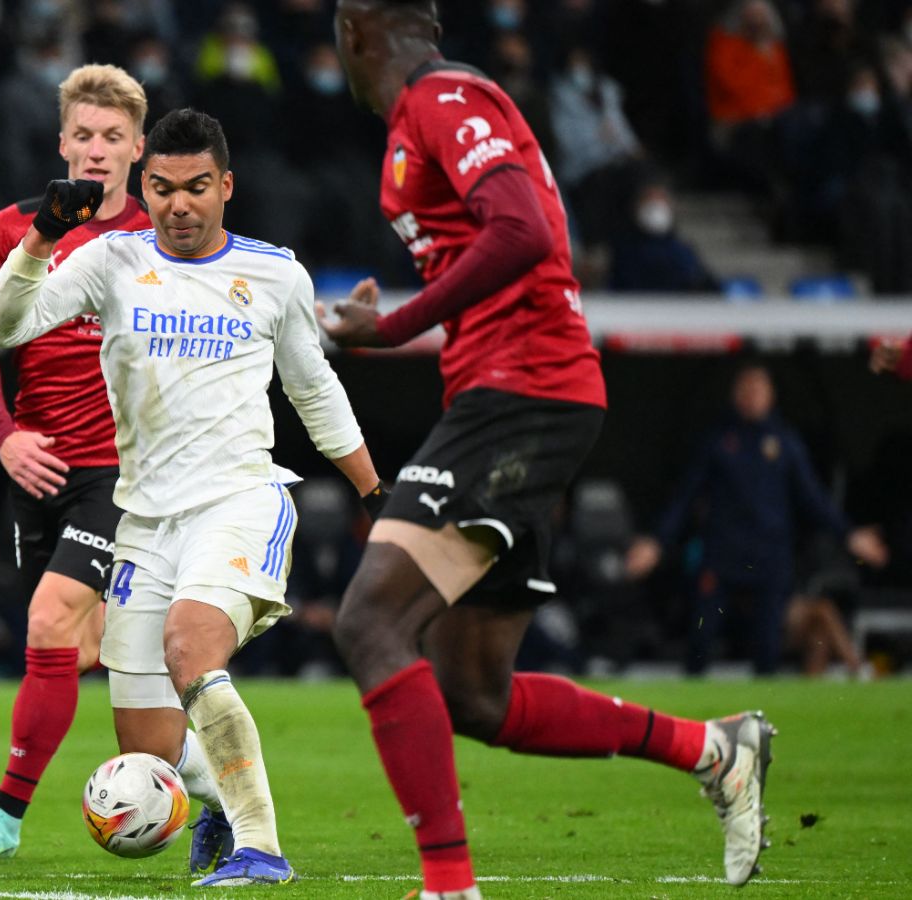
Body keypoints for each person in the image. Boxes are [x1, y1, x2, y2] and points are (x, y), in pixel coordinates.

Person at [321, 3, 774, 896]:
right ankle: (718, 750)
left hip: (522, 390)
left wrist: (398, 327)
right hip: (517, 393)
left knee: (370, 623)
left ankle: (449, 885)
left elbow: (522, 229)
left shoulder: (443, 98)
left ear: (358, 32)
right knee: (474, 697)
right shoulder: (428, 113)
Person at [0, 108, 386, 887]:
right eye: (162, 188)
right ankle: (221, 805)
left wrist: (374, 490)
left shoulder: (275, 273)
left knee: (191, 647)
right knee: (149, 748)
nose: (179, 205)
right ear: (145, 186)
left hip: (239, 499)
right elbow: (3, 327)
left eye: (197, 187)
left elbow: (314, 390)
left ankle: (261, 850)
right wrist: (40, 237)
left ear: (225, 186)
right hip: (145, 520)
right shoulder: (110, 260)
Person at [0, 64, 168, 864]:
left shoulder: (158, 237)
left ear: (138, 148)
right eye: (84, 136)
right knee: (79, 651)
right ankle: (203, 790)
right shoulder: (13, 230)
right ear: (61, 143)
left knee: (49, 620)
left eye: (113, 138)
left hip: (123, 474)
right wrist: (4, 437)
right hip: (36, 470)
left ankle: (4, 815)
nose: (97, 151)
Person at [625, 363, 887, 674]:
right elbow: (685, 497)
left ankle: (763, 717)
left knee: (767, 648)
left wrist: (849, 534)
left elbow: (813, 499)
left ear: (771, 395)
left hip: (768, 558)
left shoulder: (786, 442)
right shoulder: (718, 441)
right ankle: (692, 716)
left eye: (757, 388)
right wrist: (656, 542)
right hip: (723, 556)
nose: (750, 396)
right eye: (744, 388)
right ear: (734, 394)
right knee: (701, 636)